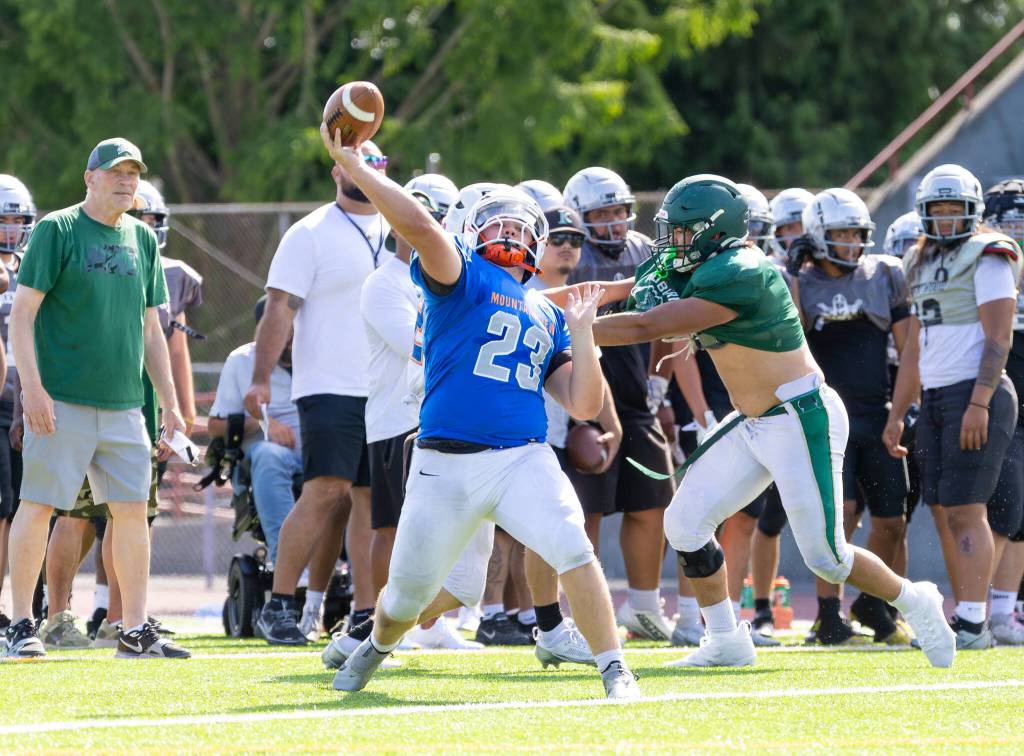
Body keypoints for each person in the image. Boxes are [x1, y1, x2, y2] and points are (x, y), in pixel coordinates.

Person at [322, 127, 639, 699]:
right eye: (500, 223)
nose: (512, 232)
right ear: (471, 231)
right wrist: (358, 168)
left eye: (523, 226)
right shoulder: (459, 277)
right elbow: (417, 226)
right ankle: (376, 643)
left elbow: (584, 403)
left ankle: (615, 668)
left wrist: (586, 333)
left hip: (521, 457)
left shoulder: (545, 309)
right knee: (405, 599)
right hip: (443, 463)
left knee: (572, 544)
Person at [596, 173, 954, 669]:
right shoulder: (696, 263)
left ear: (713, 231)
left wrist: (569, 335)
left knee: (826, 555)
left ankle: (917, 601)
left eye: (681, 231)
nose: (671, 241)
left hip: (798, 416)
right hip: (752, 421)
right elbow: (612, 291)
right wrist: (535, 308)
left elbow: (644, 324)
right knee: (685, 524)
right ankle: (725, 639)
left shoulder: (742, 269)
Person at [2, 137, 190, 659]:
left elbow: (152, 330)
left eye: (133, 172)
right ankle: (21, 624)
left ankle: (133, 628)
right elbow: (23, 315)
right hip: (62, 401)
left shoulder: (143, 239)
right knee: (38, 506)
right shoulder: (56, 229)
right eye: (115, 172)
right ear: (90, 178)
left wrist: (170, 405)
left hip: (126, 405)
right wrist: (33, 390)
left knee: (131, 513)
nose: (126, 181)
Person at [246, 141, 389, 645]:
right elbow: (279, 308)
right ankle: (279, 605)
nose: (366, 169)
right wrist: (261, 379)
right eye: (355, 160)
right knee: (325, 489)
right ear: (336, 170)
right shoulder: (309, 232)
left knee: (374, 500)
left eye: (375, 161)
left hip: (388, 389)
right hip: (329, 384)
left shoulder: (400, 228)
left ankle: (367, 614)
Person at [885, 164, 1023, 650]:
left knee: (967, 509)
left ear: (973, 213)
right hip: (939, 395)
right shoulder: (917, 261)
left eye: (953, 211)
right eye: (936, 212)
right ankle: (967, 617)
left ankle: (972, 623)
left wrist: (979, 402)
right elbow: (914, 350)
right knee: (945, 510)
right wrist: (898, 412)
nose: (944, 222)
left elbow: (998, 339)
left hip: (975, 393)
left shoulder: (988, 254)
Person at [787, 188, 913, 646]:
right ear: (819, 235)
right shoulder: (797, 279)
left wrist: (898, 414)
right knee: (838, 520)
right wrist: (791, 274)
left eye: (856, 233)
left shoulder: (885, 273)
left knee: (893, 520)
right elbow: (791, 338)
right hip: (828, 417)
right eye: (840, 233)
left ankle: (870, 600)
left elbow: (909, 350)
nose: (850, 242)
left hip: (876, 412)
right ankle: (828, 617)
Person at [361, 180, 482, 652]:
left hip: (437, 418)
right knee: (393, 527)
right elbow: (422, 350)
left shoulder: (446, 277)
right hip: (397, 418)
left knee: (439, 529)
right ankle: (376, 625)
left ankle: (430, 626)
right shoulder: (383, 283)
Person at [563, 166, 677, 641]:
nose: (612, 222)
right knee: (583, 510)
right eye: (601, 213)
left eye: (618, 211)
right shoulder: (572, 255)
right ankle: (580, 612)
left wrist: (659, 383)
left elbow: (670, 320)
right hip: (580, 400)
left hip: (634, 397)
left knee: (654, 502)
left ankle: (644, 606)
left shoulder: (644, 252)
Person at [209, 296, 301, 565]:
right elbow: (214, 426)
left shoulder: (319, 357)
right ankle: (288, 562)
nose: (288, 336)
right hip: (268, 460)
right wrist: (264, 423)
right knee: (268, 455)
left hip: (320, 453)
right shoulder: (241, 361)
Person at [983, 178, 1024, 645]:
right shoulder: (985, 264)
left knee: (1020, 515)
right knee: (1004, 508)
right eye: (1010, 223)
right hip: (999, 396)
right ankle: (974, 611)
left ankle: (1001, 613)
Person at [0, 174, 30, 631]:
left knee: (24, 507)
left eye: (16, 220)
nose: (8, 230)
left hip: (22, 401)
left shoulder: (32, 265)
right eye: (1, 220)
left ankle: (30, 606)